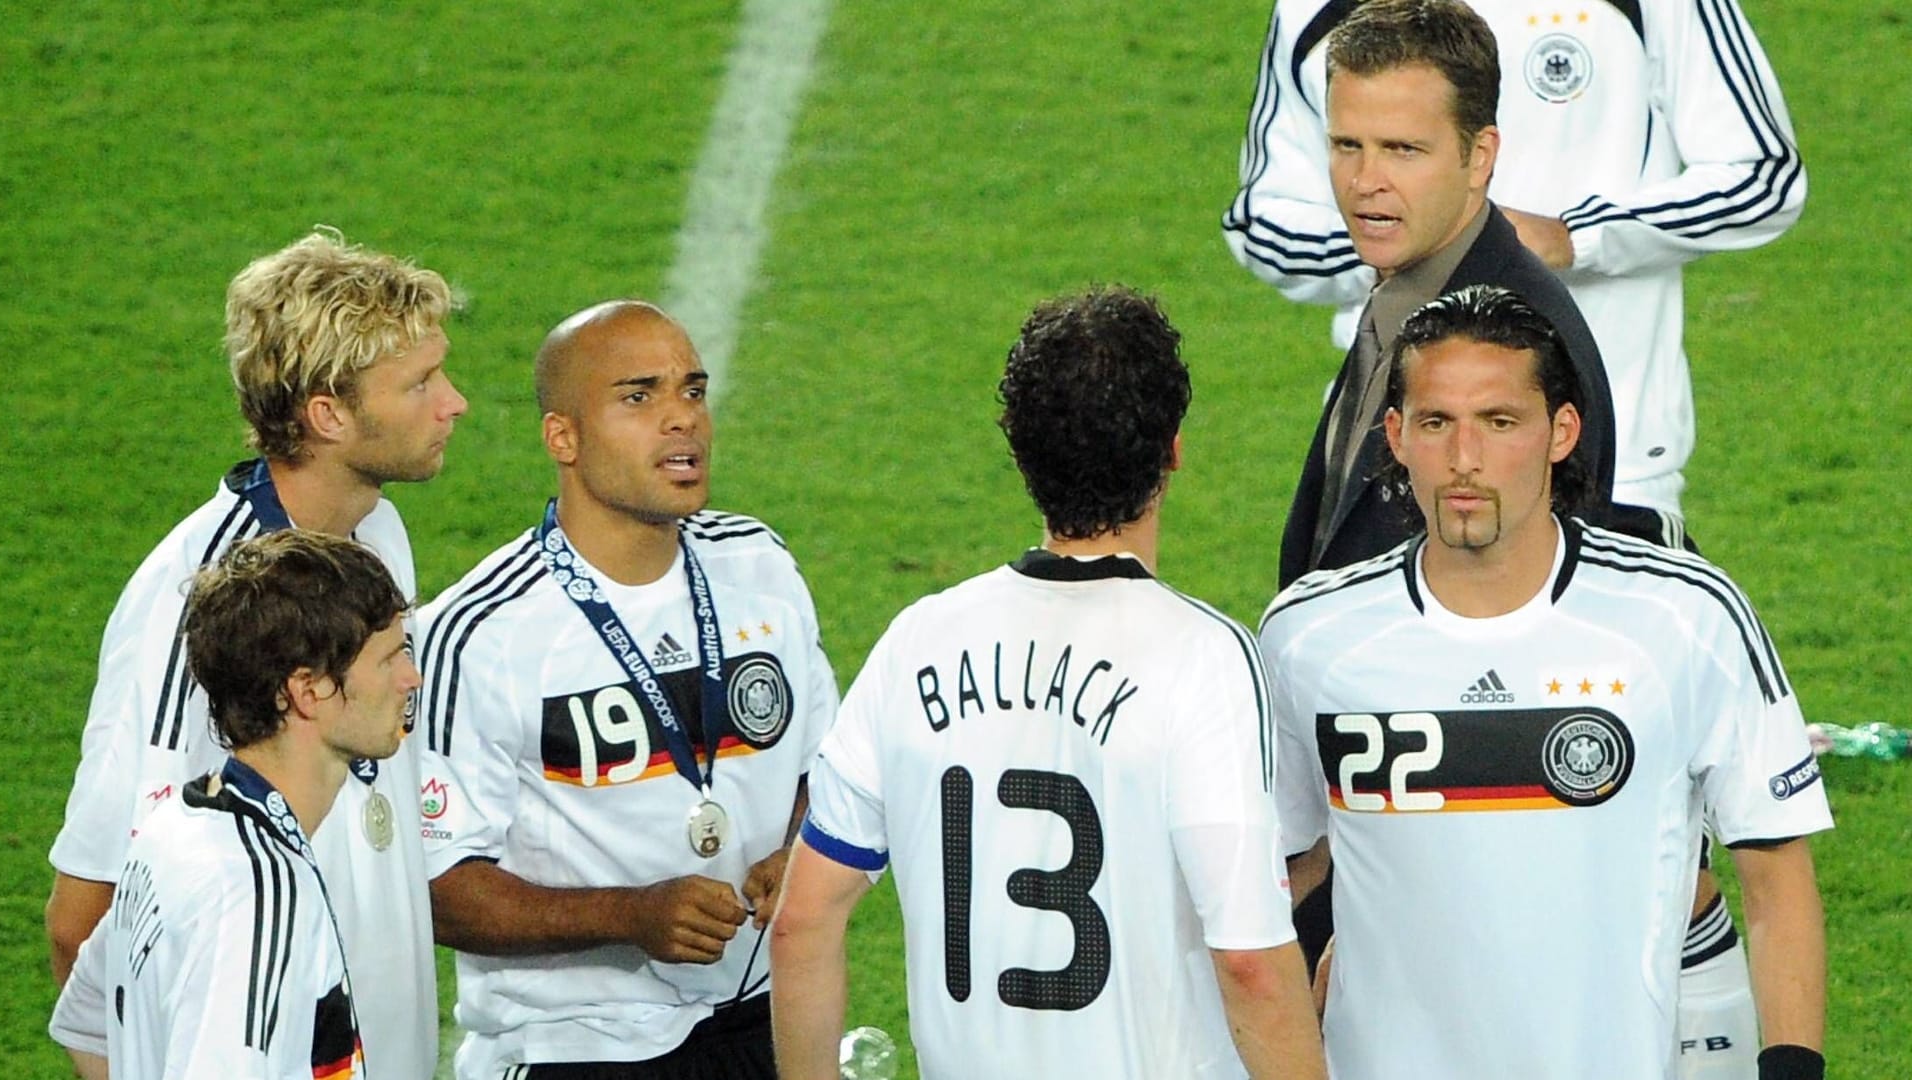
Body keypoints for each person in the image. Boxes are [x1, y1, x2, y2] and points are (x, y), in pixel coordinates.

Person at [1222, 1, 1802, 1065]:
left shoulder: (1491, 345)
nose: (1361, 180)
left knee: (1648, 859)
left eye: (1399, 150)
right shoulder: (1417, 294)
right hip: (1392, 755)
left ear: (1481, 155)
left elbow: (1513, 622)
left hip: (1442, 788)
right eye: (1346, 148)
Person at [1259, 284, 1829, 1080]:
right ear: (1394, 436)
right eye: (1435, 423)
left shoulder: (1682, 616)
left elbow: (1774, 874)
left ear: (1562, 432)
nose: (1464, 459)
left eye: (1499, 423)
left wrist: (1793, 1068)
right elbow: (1279, 872)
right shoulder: (1307, 638)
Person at [769, 287, 1327, 1080]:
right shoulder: (1201, 657)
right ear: (1172, 448)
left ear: (1021, 448)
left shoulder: (917, 642)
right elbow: (1250, 963)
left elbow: (801, 924)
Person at [45, 230, 465, 1080]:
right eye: (419, 383)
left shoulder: (374, 531)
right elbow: (89, 914)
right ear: (328, 414)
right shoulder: (197, 608)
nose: (453, 402)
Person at [416, 300, 838, 1078]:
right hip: (576, 1048)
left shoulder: (759, 566)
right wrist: (629, 915)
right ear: (562, 437)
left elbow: (829, 768)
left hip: (763, 1022)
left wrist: (801, 853)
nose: (681, 420)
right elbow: (435, 884)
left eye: (693, 391)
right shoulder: (481, 631)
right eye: (639, 397)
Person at [1223, 0, 1803, 551]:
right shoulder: (1314, 10)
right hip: (1393, 461)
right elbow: (1263, 220)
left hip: (1613, 468)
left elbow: (1762, 176)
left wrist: (1577, 235)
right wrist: (1424, 243)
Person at [102, 530, 417, 1079]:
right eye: (389, 659)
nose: (410, 679)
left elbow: (89, 1023)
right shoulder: (255, 892)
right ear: (308, 690)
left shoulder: (174, 829)